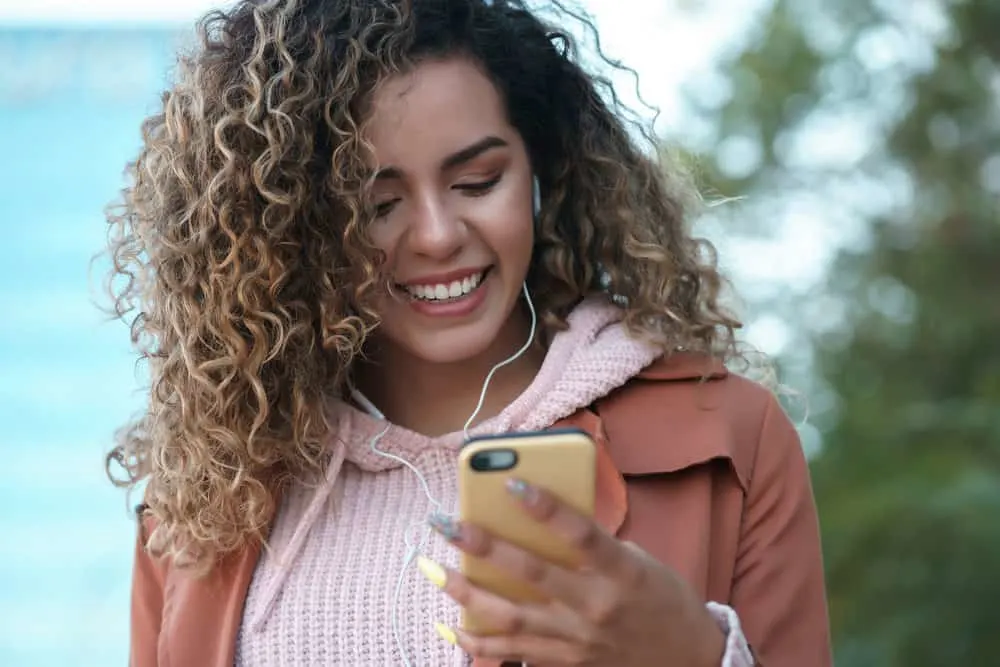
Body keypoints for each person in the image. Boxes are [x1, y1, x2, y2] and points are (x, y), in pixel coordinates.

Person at [105, 0, 832, 665]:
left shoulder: (725, 438)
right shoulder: (208, 497)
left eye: (478, 181)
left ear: (540, 171)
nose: (438, 234)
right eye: (377, 203)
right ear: (296, 226)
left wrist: (693, 655)